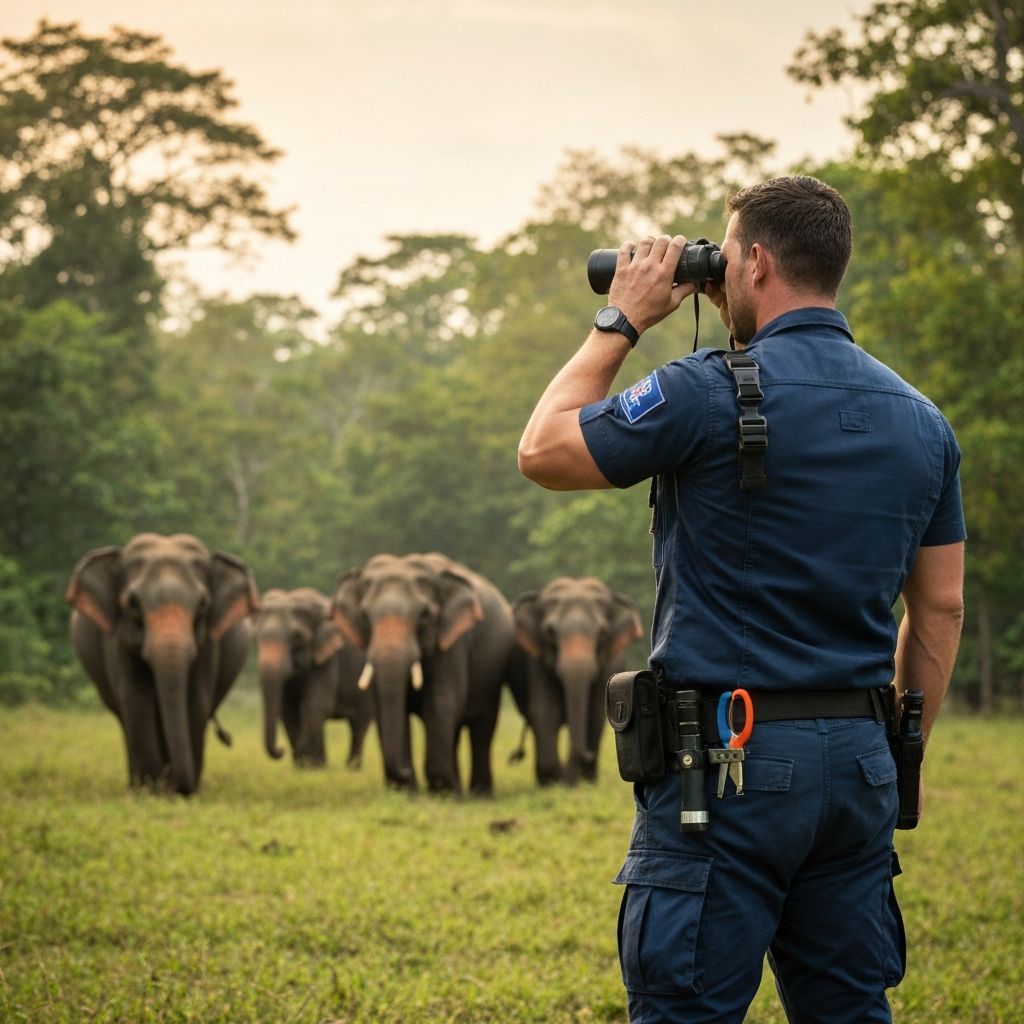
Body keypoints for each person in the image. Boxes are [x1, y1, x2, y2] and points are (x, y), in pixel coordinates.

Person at [518, 175, 965, 1024]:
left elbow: (543, 450)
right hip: (861, 763)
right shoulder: (922, 420)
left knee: (687, 1007)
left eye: (723, 257)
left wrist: (622, 317)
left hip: (725, 762)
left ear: (754, 262)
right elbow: (940, 610)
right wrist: (893, 745)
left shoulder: (704, 390)